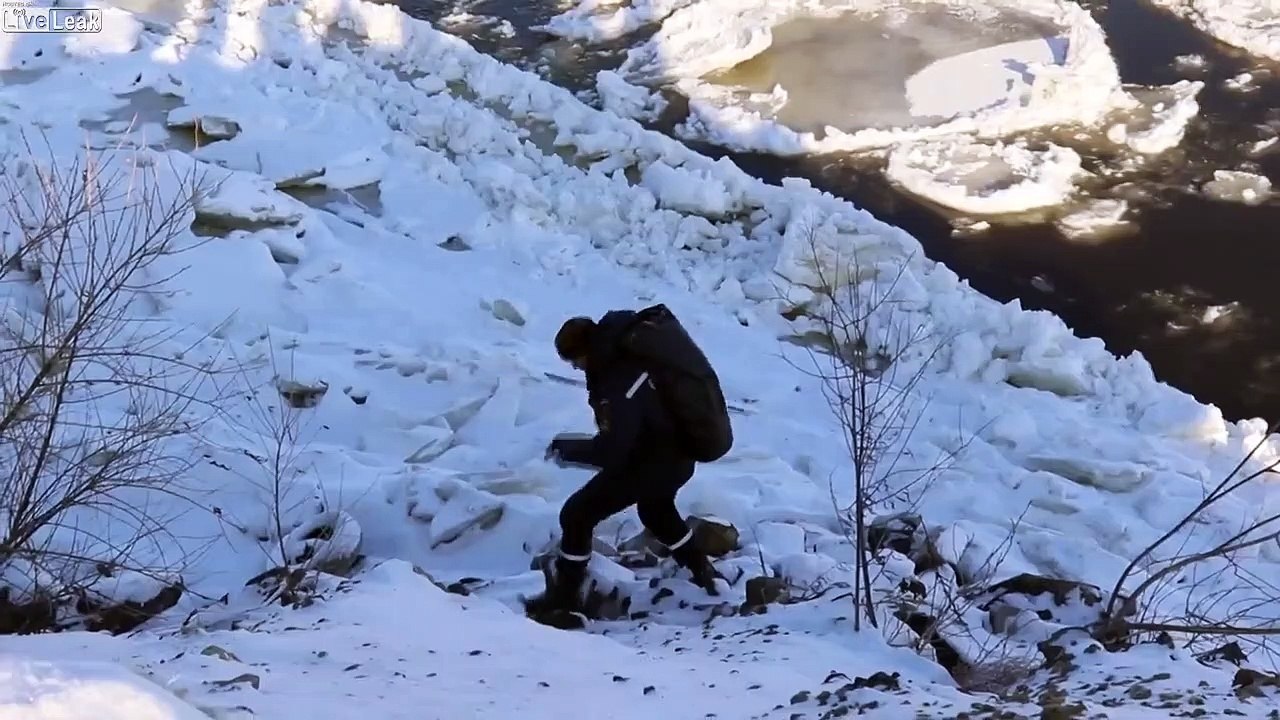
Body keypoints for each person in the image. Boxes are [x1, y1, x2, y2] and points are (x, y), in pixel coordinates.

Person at [524, 308, 726, 617]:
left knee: (577, 515)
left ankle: (564, 599)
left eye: (575, 362)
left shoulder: (616, 381)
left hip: (653, 461)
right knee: (656, 511)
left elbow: (613, 449)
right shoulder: (629, 360)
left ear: (584, 352)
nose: (577, 369)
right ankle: (706, 576)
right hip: (676, 455)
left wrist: (569, 449)